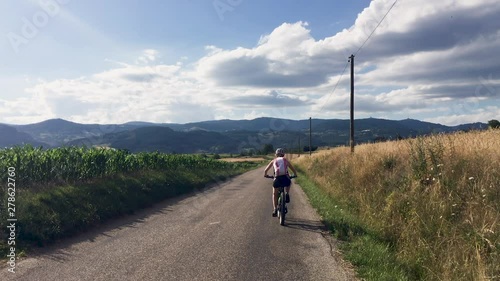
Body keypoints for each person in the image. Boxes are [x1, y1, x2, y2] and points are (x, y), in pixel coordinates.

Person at [264, 148, 298, 217]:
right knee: (289, 181)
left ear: (276, 155)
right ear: (283, 154)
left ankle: (275, 209)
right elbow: (293, 169)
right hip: (285, 178)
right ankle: (287, 193)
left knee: (275, 194)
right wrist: (295, 174)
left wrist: (266, 175)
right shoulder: (285, 160)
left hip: (277, 178)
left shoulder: (274, 161)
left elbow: (265, 170)